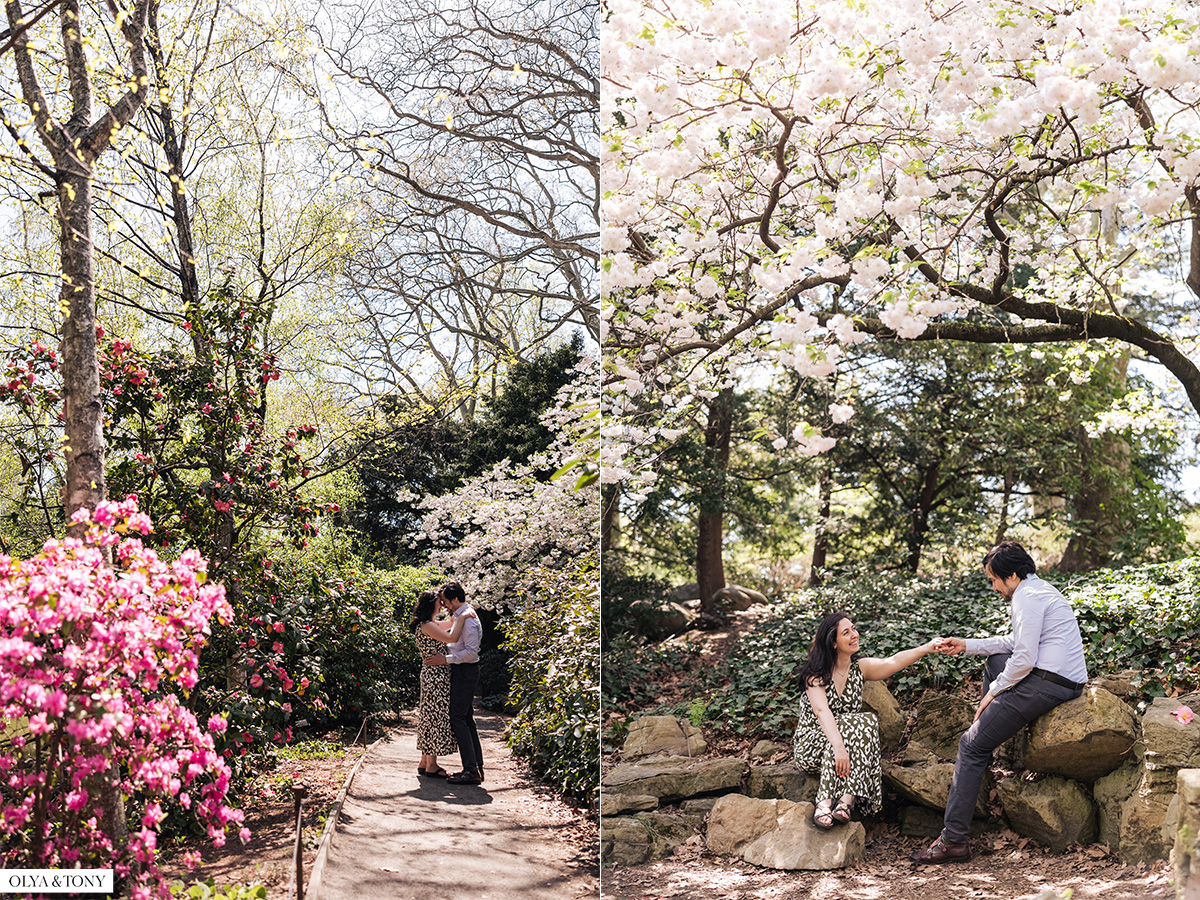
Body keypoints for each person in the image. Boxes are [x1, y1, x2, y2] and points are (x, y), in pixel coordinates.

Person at [911, 540, 1087, 864]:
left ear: (1013, 575)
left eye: (994, 580)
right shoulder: (1039, 590)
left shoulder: (1026, 597)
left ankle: (954, 841)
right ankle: (987, 744)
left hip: (1048, 685)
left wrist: (993, 692)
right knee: (995, 661)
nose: (994, 588)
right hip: (1061, 681)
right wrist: (966, 645)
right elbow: (1014, 643)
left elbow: (1024, 658)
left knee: (970, 745)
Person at [794, 610, 945, 829]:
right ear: (833, 643)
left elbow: (892, 661)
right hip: (814, 746)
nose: (854, 635)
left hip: (847, 747)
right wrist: (839, 747)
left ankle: (846, 800)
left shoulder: (860, 668)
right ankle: (824, 801)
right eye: (846, 632)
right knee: (854, 721)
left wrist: (926, 648)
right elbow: (822, 711)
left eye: (853, 629)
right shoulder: (815, 674)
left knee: (865, 720)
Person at [422, 582, 484, 785]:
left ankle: (471, 770)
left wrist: (445, 659)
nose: (444, 605)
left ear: (455, 599)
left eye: (445, 601)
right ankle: (475, 767)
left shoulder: (468, 619)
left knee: (457, 718)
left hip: (465, 671)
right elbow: (450, 635)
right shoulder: (460, 616)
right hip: (459, 670)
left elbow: (471, 653)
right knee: (465, 718)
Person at [409, 590, 476, 778]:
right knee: (434, 717)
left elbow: (450, 625)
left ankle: (425, 762)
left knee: (429, 716)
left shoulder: (428, 624)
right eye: (440, 602)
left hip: (433, 675)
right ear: (432, 604)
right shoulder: (428, 625)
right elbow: (452, 637)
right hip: (436, 676)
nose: (442, 605)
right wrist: (464, 616)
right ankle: (431, 765)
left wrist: (459, 614)